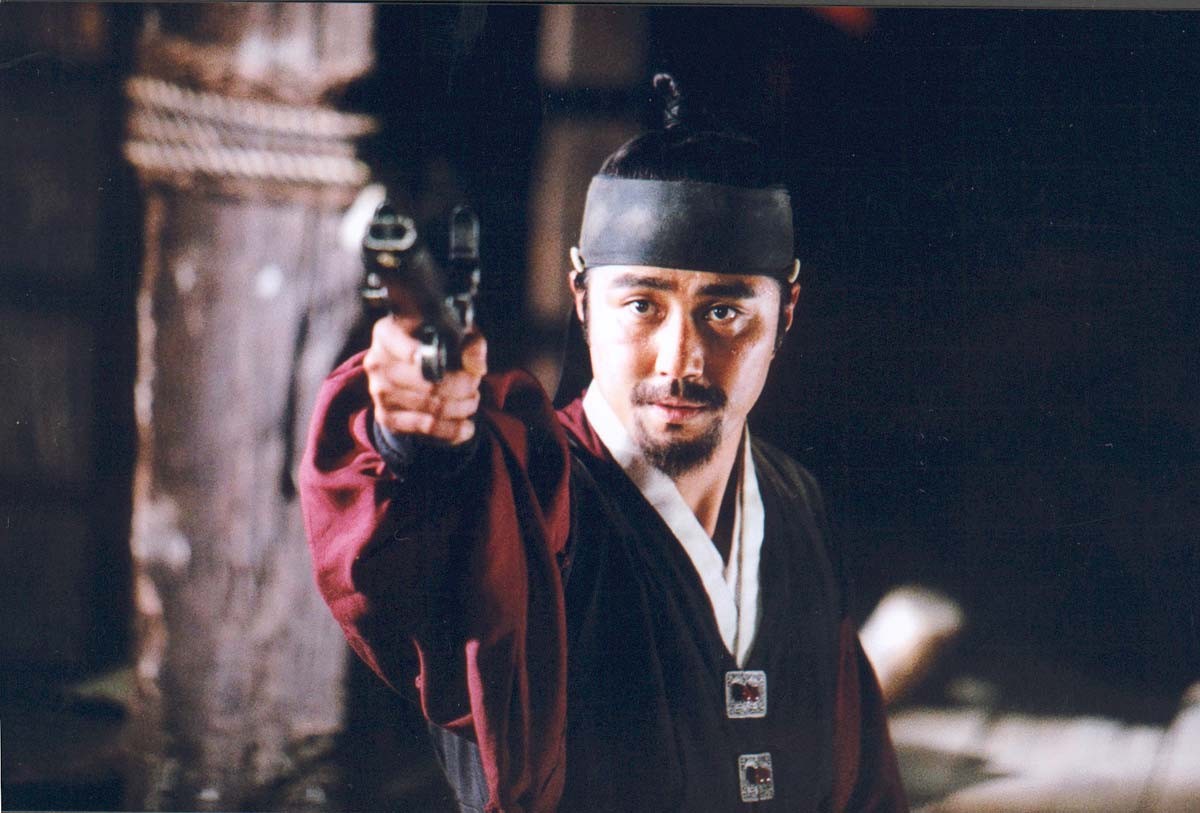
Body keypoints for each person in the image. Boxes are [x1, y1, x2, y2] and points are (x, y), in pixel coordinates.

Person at [300, 76, 907, 812]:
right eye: (642, 305)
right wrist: (411, 436)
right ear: (583, 300)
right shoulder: (535, 493)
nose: (680, 359)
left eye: (724, 312)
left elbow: (861, 781)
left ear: (787, 312)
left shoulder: (795, 503)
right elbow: (429, 528)